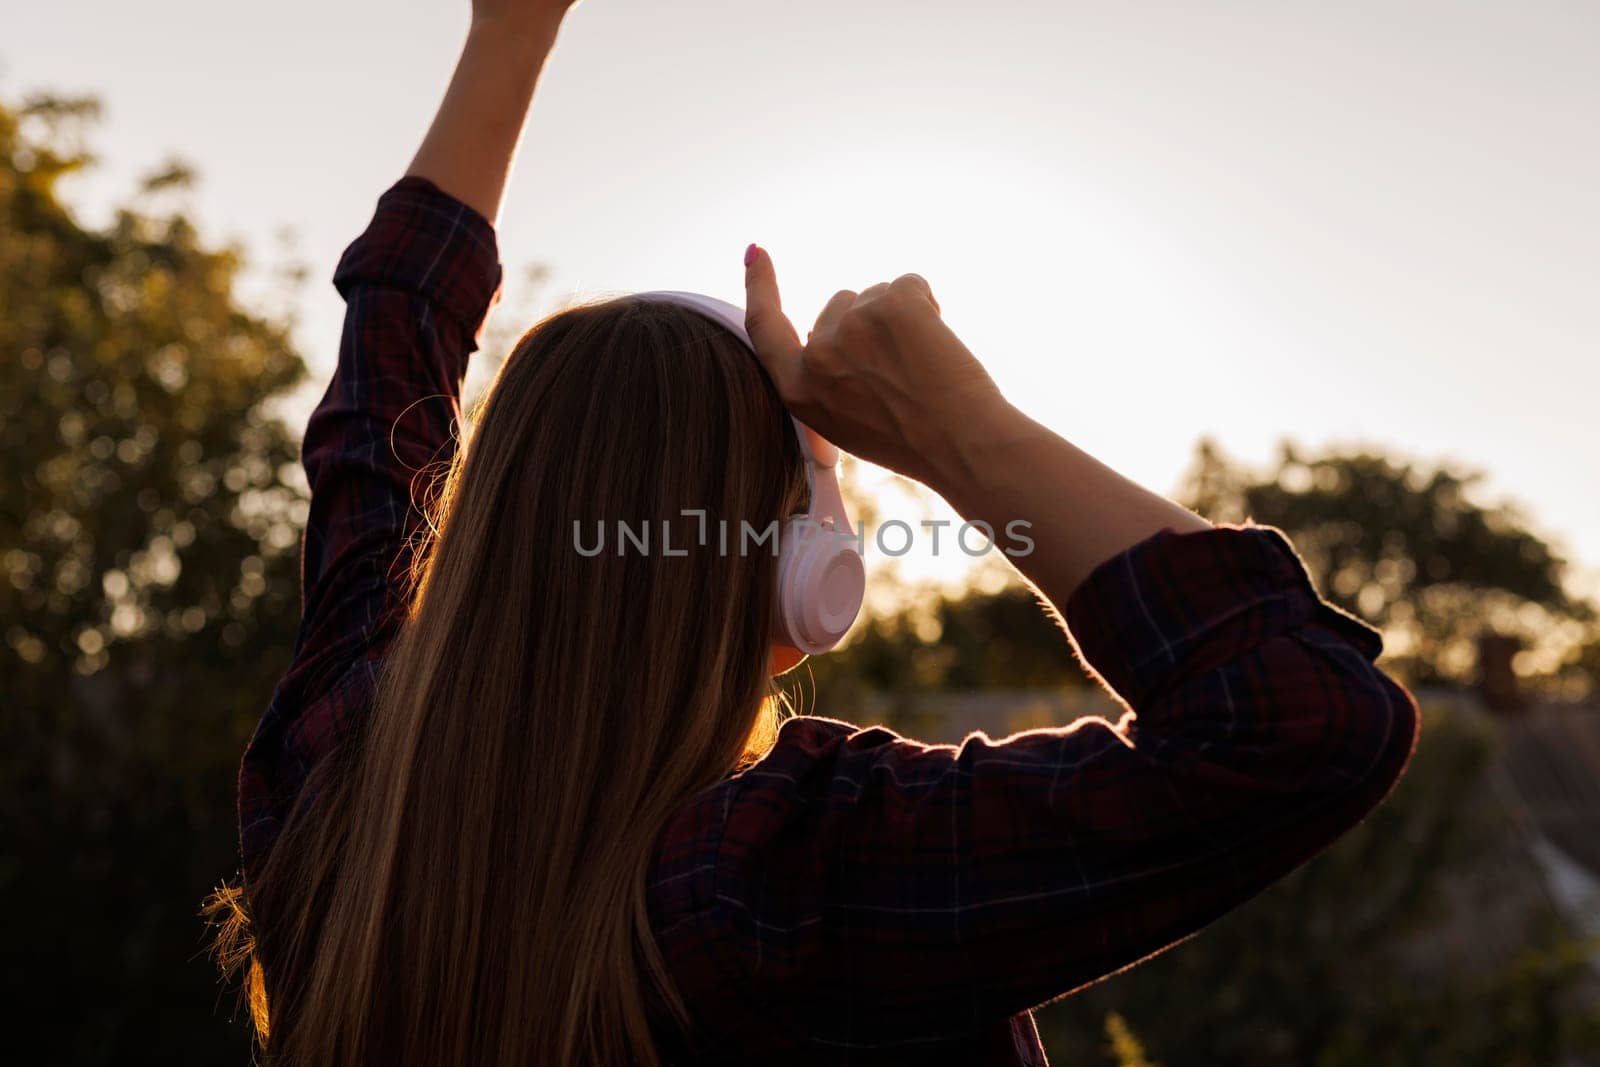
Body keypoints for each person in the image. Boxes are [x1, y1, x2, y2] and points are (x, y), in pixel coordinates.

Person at [209, 0, 1420, 1063]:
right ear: (804, 576)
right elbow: (1297, 719)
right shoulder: (795, 877)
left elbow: (389, 362)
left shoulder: (340, 771)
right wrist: (958, 431)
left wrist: (510, 28)